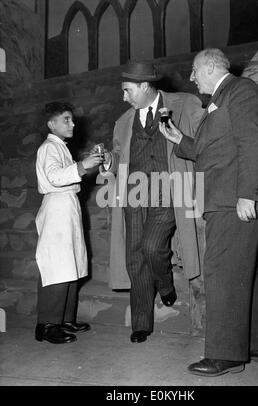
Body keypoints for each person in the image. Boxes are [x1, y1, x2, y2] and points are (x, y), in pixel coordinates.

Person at [160, 48, 258, 376]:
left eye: (195, 71)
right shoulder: (219, 100)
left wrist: (245, 196)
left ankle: (225, 354)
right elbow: (211, 150)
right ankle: (257, 343)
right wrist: (179, 139)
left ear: (209, 68)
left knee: (221, 271)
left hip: (234, 198)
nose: (192, 78)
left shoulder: (241, 90)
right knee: (242, 270)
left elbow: (253, 143)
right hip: (226, 197)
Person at [96, 61, 204, 343]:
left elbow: (206, 139)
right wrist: (109, 161)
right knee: (134, 254)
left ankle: (165, 284)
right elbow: (119, 159)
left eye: (127, 90)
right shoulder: (123, 122)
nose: (123, 97)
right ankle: (141, 322)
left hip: (168, 190)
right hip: (133, 193)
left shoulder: (184, 104)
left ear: (145, 86)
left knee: (152, 246)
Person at [35, 101, 102, 344]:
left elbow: (68, 174)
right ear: (51, 124)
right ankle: (47, 324)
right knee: (57, 266)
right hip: (56, 209)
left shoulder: (60, 147)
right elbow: (54, 177)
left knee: (71, 263)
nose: (72, 123)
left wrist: (85, 164)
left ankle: (64, 319)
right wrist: (83, 165)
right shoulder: (48, 148)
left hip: (67, 207)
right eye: (66, 119)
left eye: (71, 119)